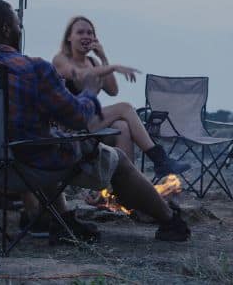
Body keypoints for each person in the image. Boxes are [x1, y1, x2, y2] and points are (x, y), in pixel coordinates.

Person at [0, 0, 190, 242]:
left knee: (43, 139)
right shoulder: (32, 68)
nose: (20, 29)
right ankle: (170, 221)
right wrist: (89, 93)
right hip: (25, 164)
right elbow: (76, 119)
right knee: (116, 159)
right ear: (7, 29)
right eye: (18, 24)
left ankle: (63, 222)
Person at [52, 16, 189, 178]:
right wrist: (114, 67)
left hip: (87, 121)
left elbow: (112, 90)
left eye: (90, 33)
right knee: (124, 107)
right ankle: (160, 160)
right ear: (69, 37)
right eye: (80, 32)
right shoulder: (61, 59)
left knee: (122, 127)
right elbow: (80, 76)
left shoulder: (94, 62)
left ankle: (124, 186)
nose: (86, 36)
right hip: (68, 127)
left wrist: (103, 58)